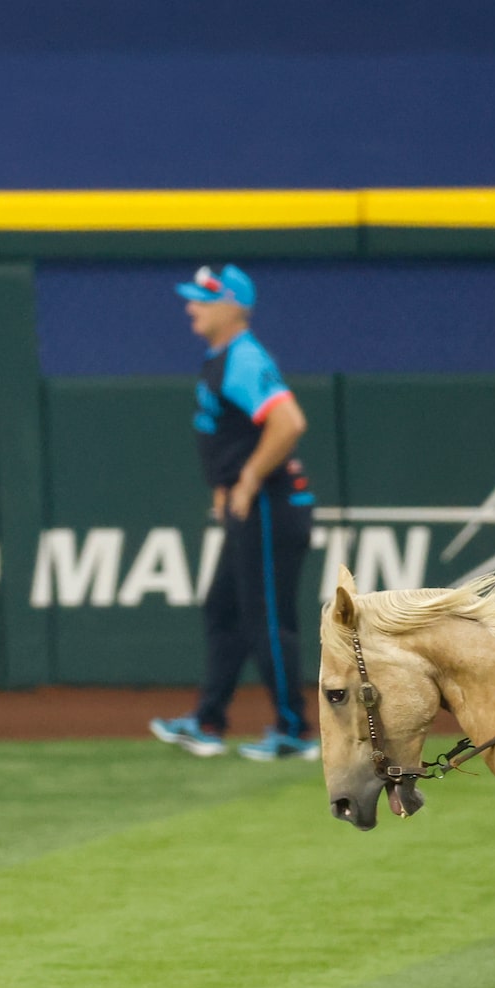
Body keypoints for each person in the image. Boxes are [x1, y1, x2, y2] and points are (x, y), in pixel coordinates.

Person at [147, 264, 318, 762]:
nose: (190, 307)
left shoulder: (243, 358)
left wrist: (245, 481)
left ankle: (294, 730)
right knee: (224, 609)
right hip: (253, 506)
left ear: (232, 307)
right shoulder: (223, 357)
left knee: (268, 619)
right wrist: (227, 487)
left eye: (201, 299)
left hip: (271, 505)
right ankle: (207, 722)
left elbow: (288, 423)